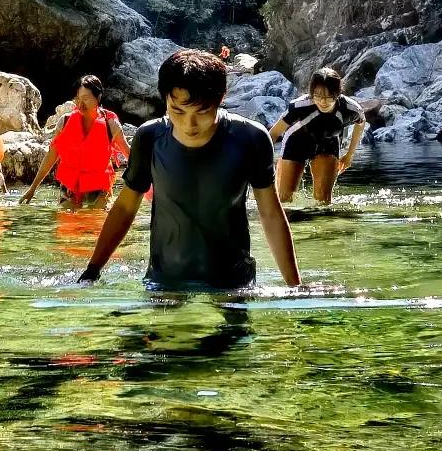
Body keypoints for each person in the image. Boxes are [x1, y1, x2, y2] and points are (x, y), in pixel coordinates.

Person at [79, 48, 299, 290]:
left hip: (233, 281)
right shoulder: (150, 137)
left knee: (235, 329)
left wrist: (294, 287)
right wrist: (92, 271)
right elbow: (124, 208)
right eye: (178, 111)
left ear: (221, 97)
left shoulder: (250, 138)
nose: (189, 124)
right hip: (165, 280)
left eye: (202, 112)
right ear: (165, 100)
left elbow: (271, 214)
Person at [20, 75, 128, 206]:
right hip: (70, 186)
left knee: (97, 224)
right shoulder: (65, 122)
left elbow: (130, 155)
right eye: (78, 99)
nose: (80, 104)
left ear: (98, 97)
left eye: (86, 99)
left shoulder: (110, 124)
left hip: (99, 187)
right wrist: (32, 189)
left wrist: (146, 181)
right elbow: (52, 155)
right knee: (68, 224)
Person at [273, 66, 367, 205]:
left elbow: (361, 123)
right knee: (284, 199)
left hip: (328, 143)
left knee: (324, 200)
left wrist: (349, 155)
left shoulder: (349, 108)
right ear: (311, 93)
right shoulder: (299, 106)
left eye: (329, 97)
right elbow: (273, 134)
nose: (323, 102)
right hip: (296, 144)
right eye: (318, 96)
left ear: (338, 94)